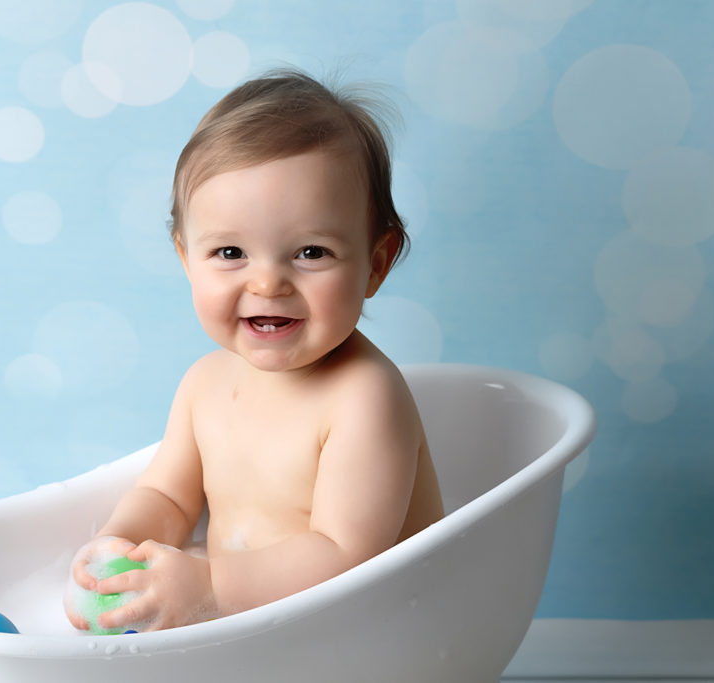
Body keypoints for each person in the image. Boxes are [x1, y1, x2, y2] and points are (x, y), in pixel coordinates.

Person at [65, 68, 443, 633]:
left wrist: (211, 587)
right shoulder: (204, 385)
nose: (268, 283)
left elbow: (346, 554)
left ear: (376, 264)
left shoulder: (365, 397)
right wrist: (120, 545)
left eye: (312, 252)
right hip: (249, 631)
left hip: (367, 637)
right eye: (230, 252)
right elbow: (168, 496)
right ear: (185, 257)